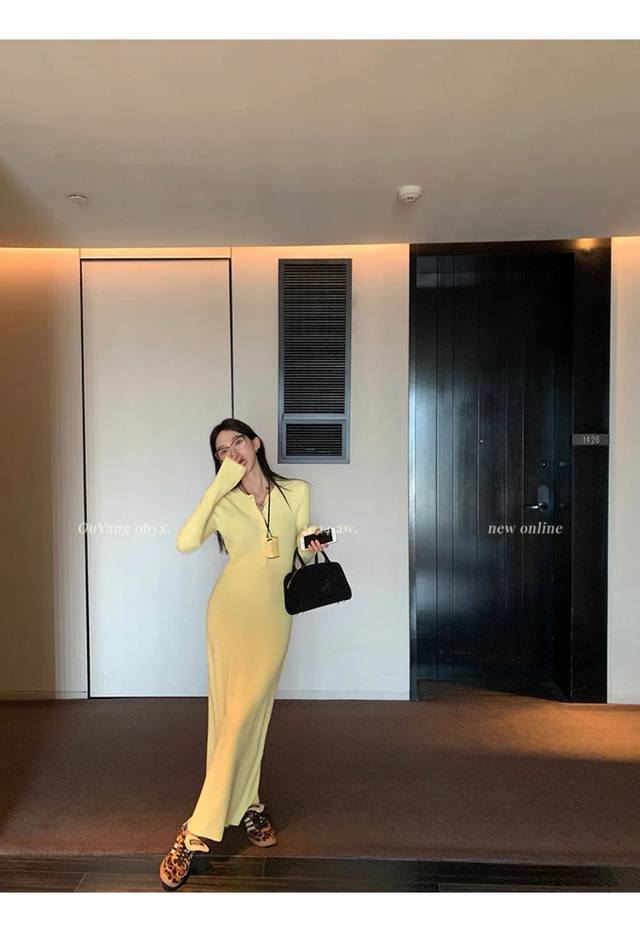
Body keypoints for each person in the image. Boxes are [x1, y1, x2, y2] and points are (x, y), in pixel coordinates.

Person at [159, 417, 327, 891]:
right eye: (221, 450)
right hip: (228, 617)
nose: (232, 451)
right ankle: (210, 824)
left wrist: (310, 545)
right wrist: (219, 485)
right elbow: (184, 541)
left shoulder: (296, 491)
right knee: (230, 719)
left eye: (237, 441)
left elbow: (298, 555)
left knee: (250, 714)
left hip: (273, 618)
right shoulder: (222, 500)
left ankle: (220, 815)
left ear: (255, 443)